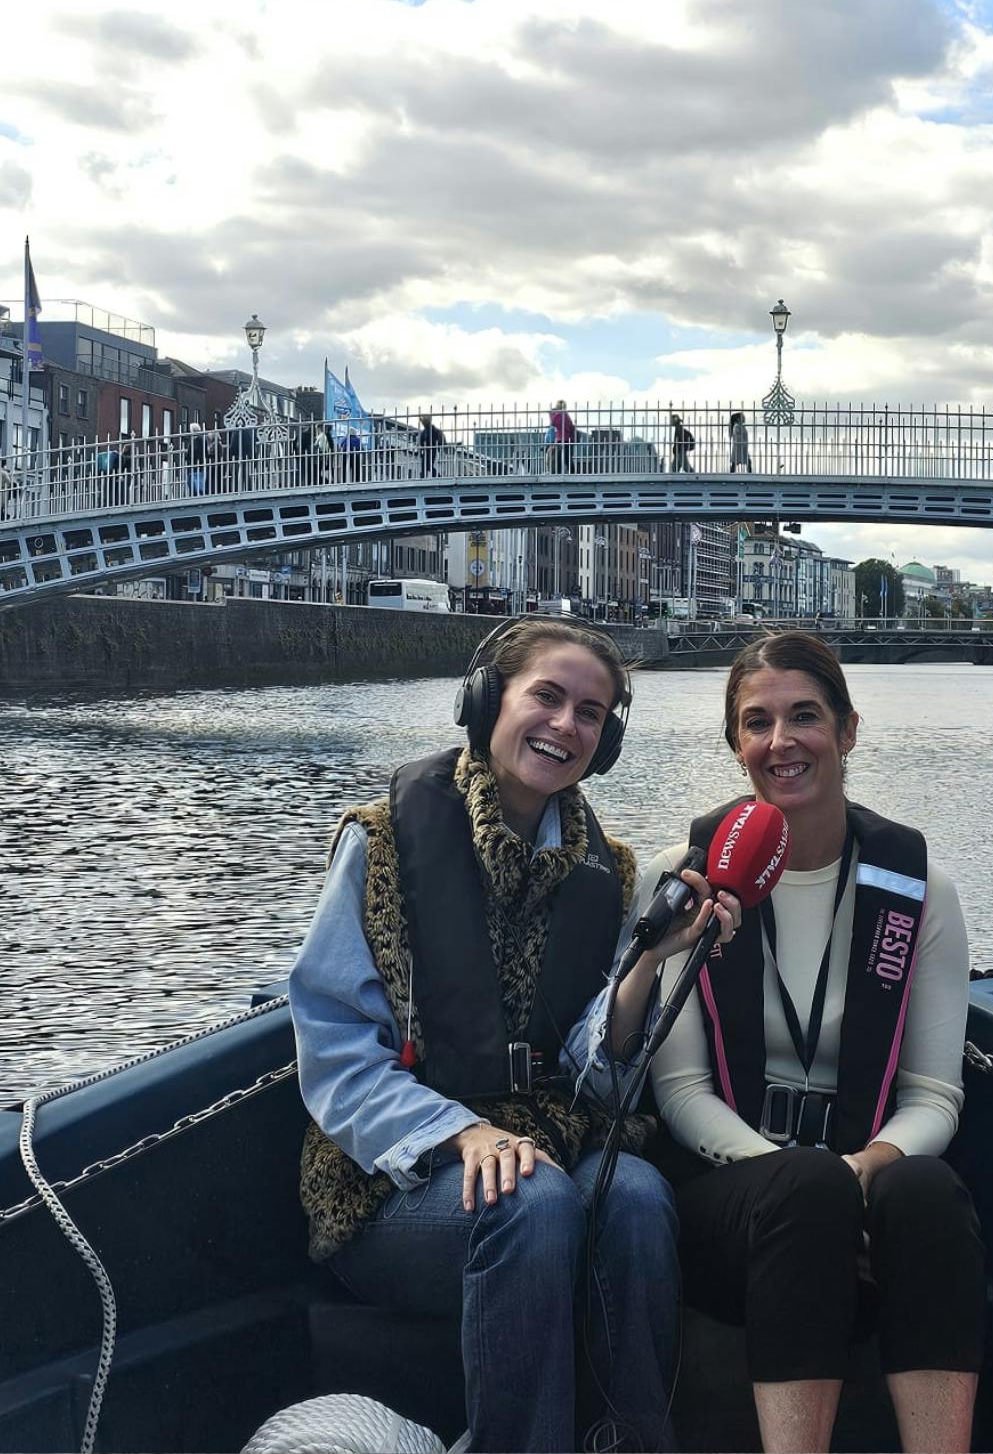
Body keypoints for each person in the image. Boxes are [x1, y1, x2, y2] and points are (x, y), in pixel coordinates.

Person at [290, 617, 738, 1451]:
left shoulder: (614, 876)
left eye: (592, 713)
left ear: (606, 742)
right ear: (488, 700)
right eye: (548, 696)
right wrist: (462, 1133)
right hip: (388, 1186)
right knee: (529, 1203)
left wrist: (649, 963)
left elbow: (595, 1076)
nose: (567, 725)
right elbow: (337, 1055)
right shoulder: (381, 841)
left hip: (546, 1152)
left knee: (637, 1198)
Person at [643, 630, 985, 1453]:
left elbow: (934, 1096)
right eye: (756, 723)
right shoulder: (686, 880)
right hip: (733, 1212)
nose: (780, 741)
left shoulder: (919, 891)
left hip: (860, 1198)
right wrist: (813, 1186)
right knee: (804, 1193)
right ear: (735, 746)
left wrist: (860, 1174)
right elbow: (681, 1091)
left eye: (804, 716)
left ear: (849, 730)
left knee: (929, 1195)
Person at [419, 414, 446, 478]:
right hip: (426, 450)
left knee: (428, 465)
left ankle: (435, 475)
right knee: (425, 466)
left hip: (432, 450)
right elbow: (421, 443)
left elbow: (441, 440)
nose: (422, 423)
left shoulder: (434, 430)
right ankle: (425, 476)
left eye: (423, 421)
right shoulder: (424, 432)